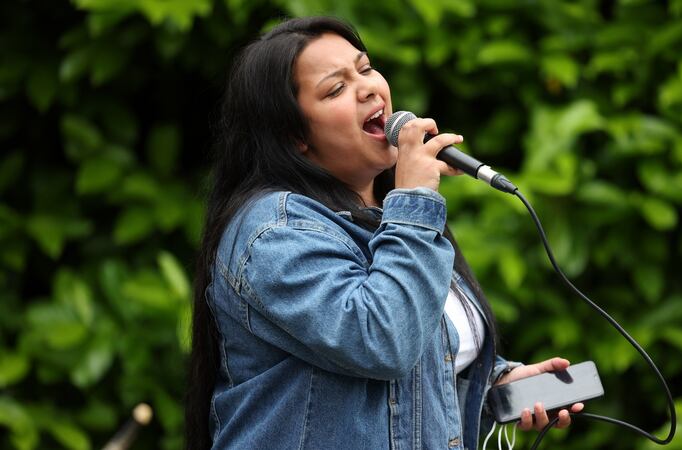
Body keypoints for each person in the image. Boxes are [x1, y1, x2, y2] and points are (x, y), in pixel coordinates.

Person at [185, 16, 583, 450]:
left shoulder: (390, 218)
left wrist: (496, 385)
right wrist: (414, 201)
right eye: (336, 89)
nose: (368, 88)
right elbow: (383, 339)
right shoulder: (274, 232)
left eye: (366, 68)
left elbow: (410, 373)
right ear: (294, 134)